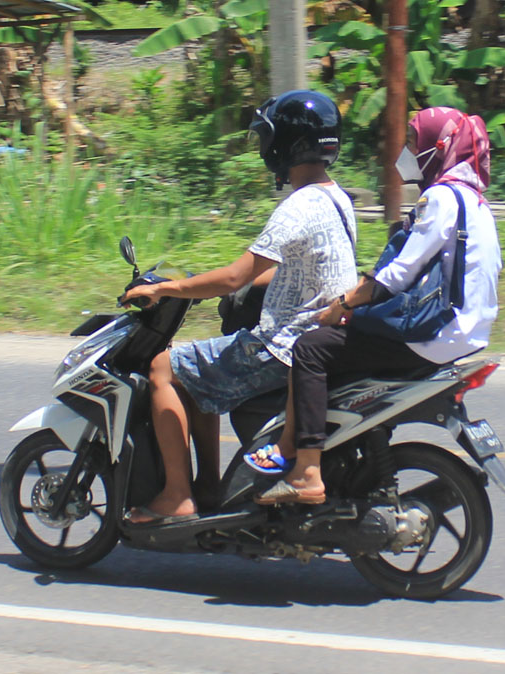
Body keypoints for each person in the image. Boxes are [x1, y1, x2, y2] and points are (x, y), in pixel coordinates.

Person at [120, 90, 358, 525]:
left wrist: (168, 289)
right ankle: (209, 486)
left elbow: (235, 276)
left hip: (283, 346)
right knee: (198, 370)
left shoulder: (297, 207)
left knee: (162, 368)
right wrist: (223, 287)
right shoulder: (337, 199)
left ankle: (178, 495)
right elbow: (302, 269)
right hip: (319, 336)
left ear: (284, 142)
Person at [247, 106, 501, 505]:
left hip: (436, 334)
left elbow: (399, 273)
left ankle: (306, 471)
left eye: (415, 143)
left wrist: (343, 304)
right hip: (468, 333)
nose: (407, 152)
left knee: (311, 348)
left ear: (441, 146)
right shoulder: (476, 201)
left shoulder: (440, 198)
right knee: (348, 344)